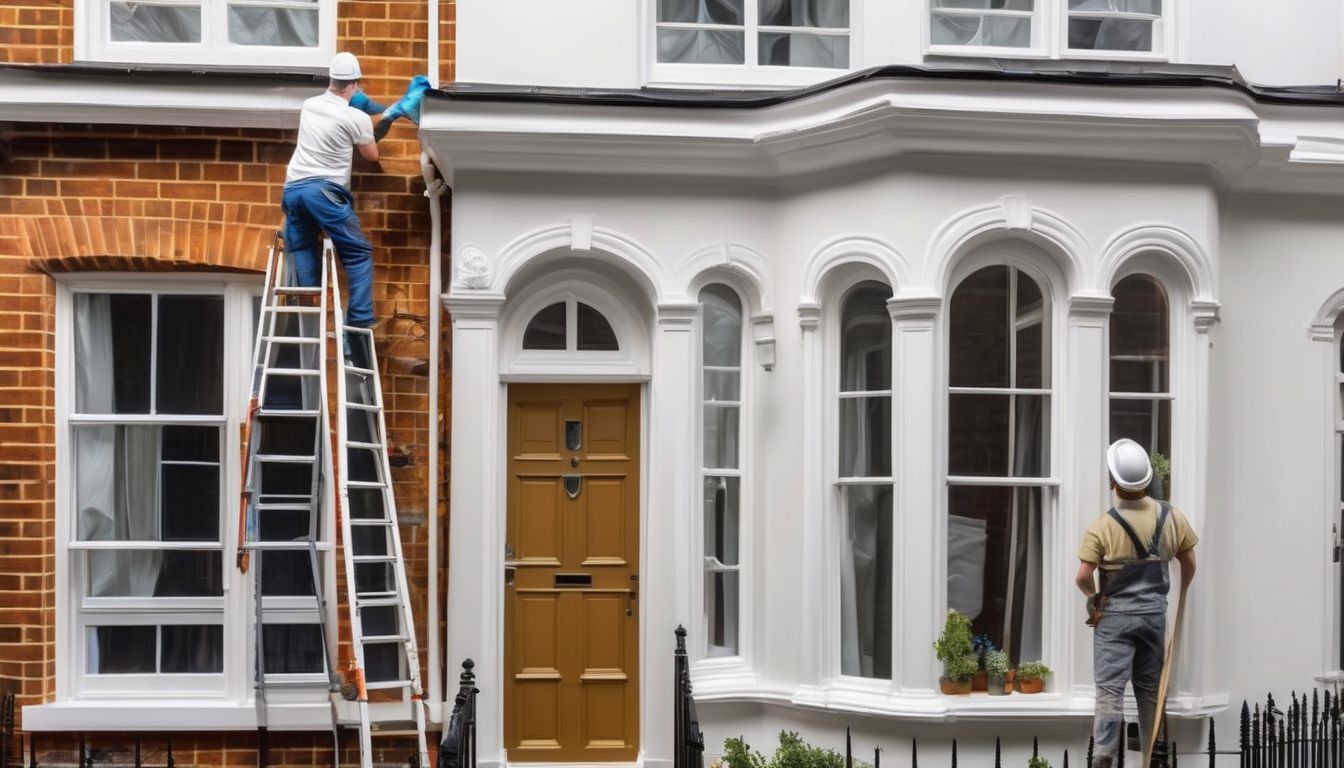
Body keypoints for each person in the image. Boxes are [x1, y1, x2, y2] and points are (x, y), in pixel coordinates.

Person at [1075, 438, 1197, 768]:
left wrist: (1095, 598)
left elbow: (1083, 576)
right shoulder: (1173, 518)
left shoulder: (1102, 527)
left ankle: (1104, 756)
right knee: (1150, 693)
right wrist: (1181, 593)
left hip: (1114, 620)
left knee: (1110, 692)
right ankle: (1153, 757)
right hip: (1153, 618)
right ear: (1147, 481)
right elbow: (1189, 564)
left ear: (1112, 481)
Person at [282, 51, 384, 329]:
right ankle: (360, 322)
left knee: (303, 246)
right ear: (354, 84)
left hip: (293, 188)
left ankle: (311, 309)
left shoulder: (309, 105)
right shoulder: (356, 119)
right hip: (324, 192)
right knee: (357, 253)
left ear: (332, 80)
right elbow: (372, 155)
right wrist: (376, 123)